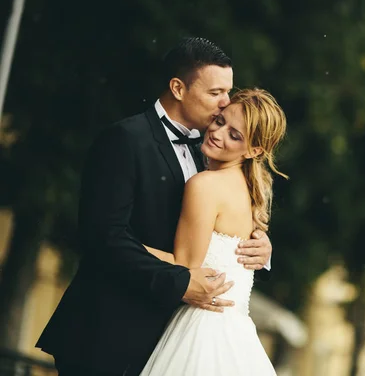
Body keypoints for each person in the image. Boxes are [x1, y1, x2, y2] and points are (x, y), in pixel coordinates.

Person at [36, 37, 273, 376]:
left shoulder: (209, 151)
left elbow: (216, 230)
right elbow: (102, 238)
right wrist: (180, 281)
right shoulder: (125, 140)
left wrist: (259, 249)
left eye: (228, 92)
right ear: (178, 87)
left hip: (167, 338)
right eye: (215, 93)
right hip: (108, 332)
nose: (225, 104)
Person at [140, 88, 287, 375]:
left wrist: (124, 244)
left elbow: (185, 268)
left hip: (200, 329)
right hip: (237, 336)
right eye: (220, 121)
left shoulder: (206, 184)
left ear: (254, 150)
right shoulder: (251, 190)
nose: (218, 134)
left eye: (235, 136)